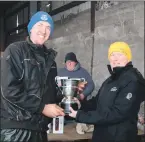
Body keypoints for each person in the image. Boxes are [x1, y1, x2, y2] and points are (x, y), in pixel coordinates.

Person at [0, 11, 64, 142]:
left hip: (39, 129)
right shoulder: (15, 50)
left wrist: (68, 94)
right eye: (40, 24)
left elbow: (47, 93)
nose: (43, 30)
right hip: (16, 130)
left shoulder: (50, 60)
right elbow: (9, 90)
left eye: (48, 27)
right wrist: (43, 108)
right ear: (31, 28)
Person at [69, 42, 145, 142]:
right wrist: (81, 104)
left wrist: (80, 116)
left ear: (128, 58)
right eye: (112, 55)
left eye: (120, 54)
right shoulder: (110, 80)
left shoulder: (133, 80)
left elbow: (118, 113)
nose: (115, 58)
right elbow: (97, 103)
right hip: (101, 136)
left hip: (120, 138)